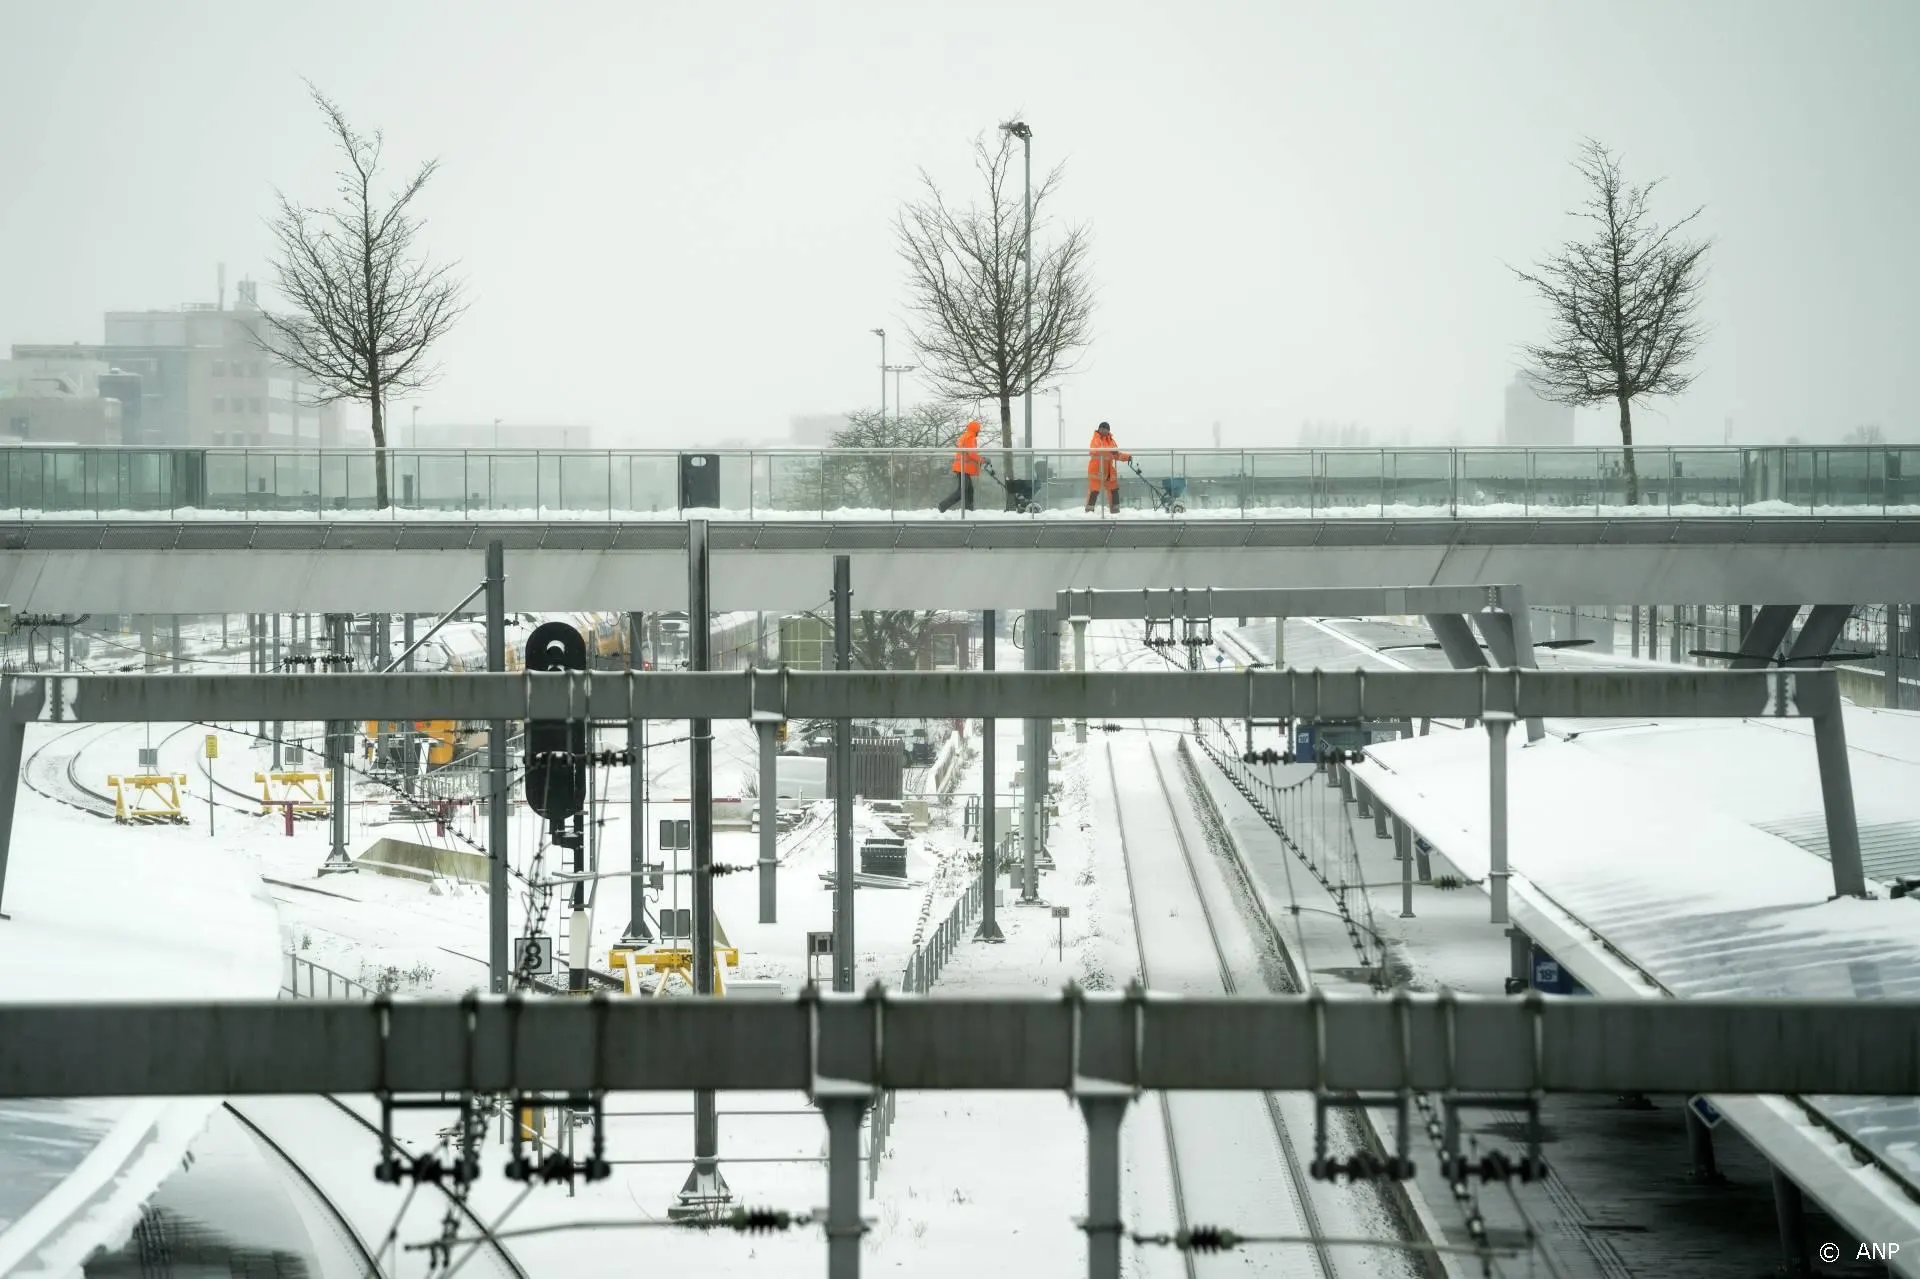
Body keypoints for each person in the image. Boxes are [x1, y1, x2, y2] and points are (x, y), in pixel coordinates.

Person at [1085, 421, 1130, 512]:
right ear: (1099, 429)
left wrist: (1127, 457)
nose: (1103, 430)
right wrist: (1111, 452)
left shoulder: (1112, 441)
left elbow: (1116, 454)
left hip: (1109, 470)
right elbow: (1099, 450)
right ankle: (1089, 511)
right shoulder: (1096, 439)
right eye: (1101, 428)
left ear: (1108, 430)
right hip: (1096, 469)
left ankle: (1115, 511)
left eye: (1105, 429)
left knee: (1114, 489)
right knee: (1094, 490)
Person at [939, 419, 982, 512]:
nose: (979, 432)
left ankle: (968, 510)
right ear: (976, 430)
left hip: (962, 467)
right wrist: (982, 460)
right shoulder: (970, 437)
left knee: (968, 489)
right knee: (963, 490)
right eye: (978, 430)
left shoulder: (965, 436)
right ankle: (943, 506)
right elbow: (971, 453)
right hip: (964, 468)